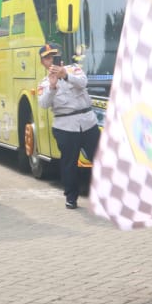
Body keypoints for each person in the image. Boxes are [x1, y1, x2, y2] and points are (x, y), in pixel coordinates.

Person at [37, 43, 99, 210]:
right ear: (43, 62)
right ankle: (71, 198)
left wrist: (65, 76)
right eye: (47, 58)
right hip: (65, 126)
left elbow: (83, 83)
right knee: (69, 164)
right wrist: (52, 87)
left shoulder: (74, 69)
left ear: (60, 57)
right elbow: (43, 104)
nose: (51, 61)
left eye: (54, 56)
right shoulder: (44, 83)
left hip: (87, 122)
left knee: (100, 159)